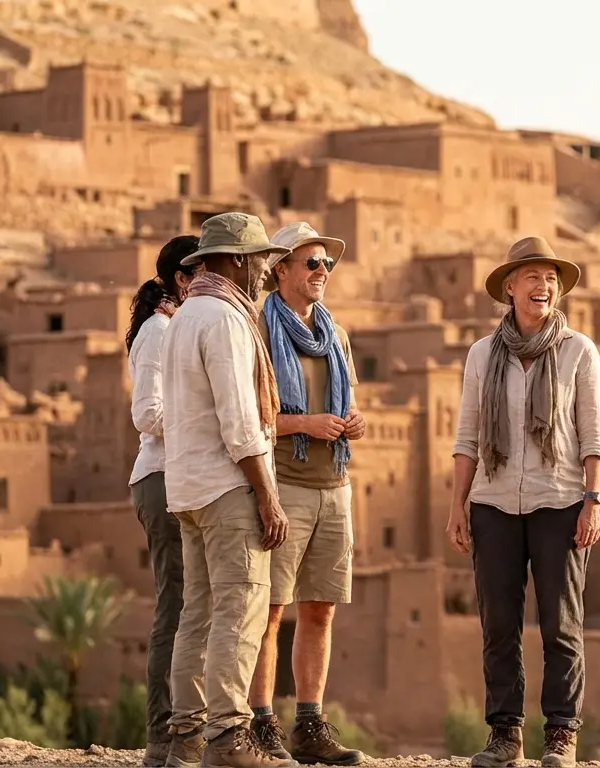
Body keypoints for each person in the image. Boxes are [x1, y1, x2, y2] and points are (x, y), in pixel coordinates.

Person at [446, 236, 600, 768]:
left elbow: (594, 435)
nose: (544, 286)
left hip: (561, 501)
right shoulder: (481, 355)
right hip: (492, 502)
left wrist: (593, 500)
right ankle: (504, 734)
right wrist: (458, 506)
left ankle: (562, 732)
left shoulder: (578, 351)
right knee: (499, 624)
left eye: (552, 278)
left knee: (562, 623)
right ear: (510, 287)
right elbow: (467, 436)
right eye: (533, 277)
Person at [160, 212, 297, 768]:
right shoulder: (224, 320)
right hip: (227, 486)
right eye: (262, 259)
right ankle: (228, 739)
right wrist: (267, 494)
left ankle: (186, 739)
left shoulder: (186, 314)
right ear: (238, 260)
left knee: (198, 614)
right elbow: (240, 421)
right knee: (240, 609)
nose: (266, 269)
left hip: (188, 489)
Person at [244, 222, 368, 766]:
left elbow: (347, 398)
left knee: (320, 609)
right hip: (283, 483)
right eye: (311, 263)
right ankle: (261, 725)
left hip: (335, 485)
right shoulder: (259, 329)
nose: (322, 273)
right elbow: (250, 414)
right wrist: (305, 424)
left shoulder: (335, 334)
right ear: (282, 270)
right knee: (270, 610)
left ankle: (310, 724)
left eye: (327, 265)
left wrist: (350, 423)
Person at [127, 234, 201, 767]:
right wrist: (204, 426)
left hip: (180, 475)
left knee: (191, 605)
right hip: (162, 477)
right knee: (174, 608)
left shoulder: (176, 326)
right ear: (182, 278)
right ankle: (163, 737)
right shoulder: (157, 331)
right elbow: (147, 413)